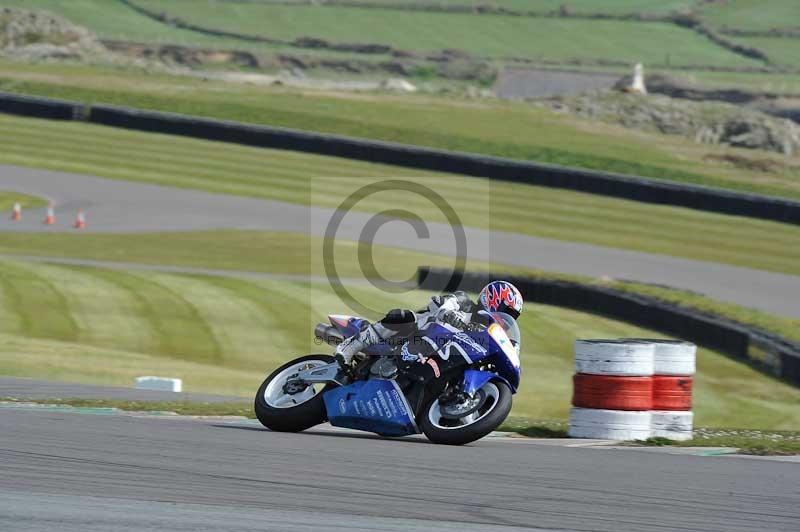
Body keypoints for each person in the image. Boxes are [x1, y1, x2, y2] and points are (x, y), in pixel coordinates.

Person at [334, 281, 523, 381]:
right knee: (403, 316)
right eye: (508, 311)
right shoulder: (465, 302)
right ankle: (349, 347)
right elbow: (447, 303)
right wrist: (450, 312)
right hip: (416, 333)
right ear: (494, 298)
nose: (508, 318)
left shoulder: (489, 333)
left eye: (512, 315)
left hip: (441, 356)